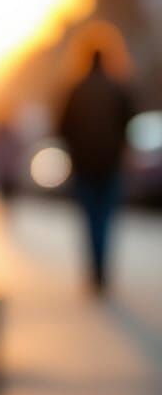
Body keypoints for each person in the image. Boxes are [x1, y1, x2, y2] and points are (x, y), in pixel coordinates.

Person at [58, 48, 134, 293]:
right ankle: (102, 271)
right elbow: (129, 123)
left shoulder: (76, 89)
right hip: (110, 165)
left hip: (84, 165)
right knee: (106, 219)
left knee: (90, 219)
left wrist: (75, 150)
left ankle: (94, 271)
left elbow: (62, 127)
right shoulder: (117, 88)